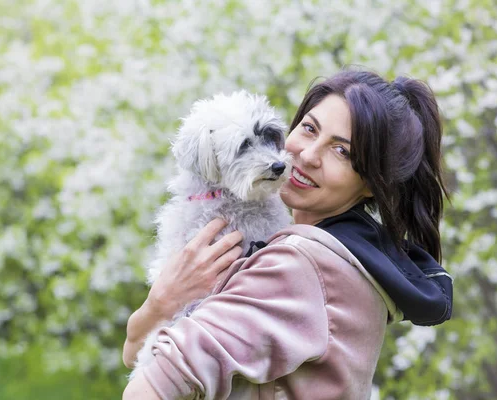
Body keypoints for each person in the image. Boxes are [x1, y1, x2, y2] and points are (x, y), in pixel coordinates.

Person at [122, 69, 454, 399]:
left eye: (342, 152)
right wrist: (161, 303)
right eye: (309, 129)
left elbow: (149, 387)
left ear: (371, 183)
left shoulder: (298, 265)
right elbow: (135, 354)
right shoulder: (354, 254)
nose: (307, 156)